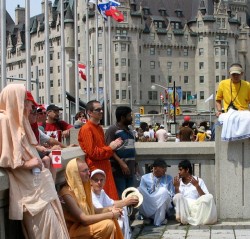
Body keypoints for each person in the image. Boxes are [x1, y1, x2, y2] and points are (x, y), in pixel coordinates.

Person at [0, 84, 69, 238]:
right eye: (25, 101)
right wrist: (27, 164)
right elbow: (5, 157)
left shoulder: (18, 120)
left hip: (42, 188)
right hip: (32, 196)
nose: (30, 106)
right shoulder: (3, 120)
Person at [59, 158, 124, 239]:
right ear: (75, 174)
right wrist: (111, 214)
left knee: (112, 219)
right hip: (74, 230)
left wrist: (111, 209)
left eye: (88, 170)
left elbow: (94, 210)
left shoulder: (83, 189)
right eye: (85, 171)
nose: (88, 173)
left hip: (85, 227)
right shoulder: (66, 193)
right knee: (108, 224)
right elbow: (84, 219)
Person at [78, 100, 123, 200]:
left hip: (104, 167)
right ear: (89, 112)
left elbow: (100, 149)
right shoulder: (86, 129)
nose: (101, 112)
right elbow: (92, 153)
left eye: (101, 109)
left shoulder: (98, 128)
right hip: (96, 169)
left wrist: (111, 148)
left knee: (110, 199)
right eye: (98, 110)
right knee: (103, 200)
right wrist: (110, 148)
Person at [90, 169, 139, 239]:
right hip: (97, 221)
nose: (99, 182)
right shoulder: (90, 194)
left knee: (123, 209)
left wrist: (127, 201)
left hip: (106, 216)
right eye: (96, 180)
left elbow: (112, 203)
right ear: (90, 182)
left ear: (104, 181)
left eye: (101, 180)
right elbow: (99, 211)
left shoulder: (102, 192)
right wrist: (125, 202)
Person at [173, 160, 217, 225]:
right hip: (184, 207)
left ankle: (193, 219)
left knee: (209, 197)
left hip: (196, 206)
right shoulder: (178, 182)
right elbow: (177, 199)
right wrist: (176, 187)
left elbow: (205, 197)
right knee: (178, 196)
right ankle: (182, 219)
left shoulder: (198, 180)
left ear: (187, 170)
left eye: (180, 170)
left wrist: (197, 186)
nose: (179, 172)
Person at [105, 106, 136, 197]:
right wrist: (121, 163)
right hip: (118, 170)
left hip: (130, 169)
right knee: (121, 195)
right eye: (129, 115)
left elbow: (131, 148)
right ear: (122, 117)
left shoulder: (130, 131)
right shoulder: (112, 130)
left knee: (130, 196)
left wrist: (135, 164)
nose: (131, 118)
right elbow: (109, 148)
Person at [138, 159, 174, 226]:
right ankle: (150, 216)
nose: (165, 170)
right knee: (139, 190)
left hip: (163, 204)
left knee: (163, 191)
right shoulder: (144, 178)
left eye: (165, 168)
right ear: (155, 168)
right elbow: (143, 195)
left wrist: (160, 196)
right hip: (149, 202)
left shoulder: (169, 178)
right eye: (163, 168)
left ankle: (158, 220)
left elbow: (171, 195)